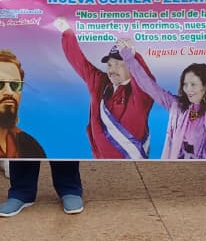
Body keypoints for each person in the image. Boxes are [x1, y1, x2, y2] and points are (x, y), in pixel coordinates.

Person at [0, 0, 86, 215]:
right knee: (21, 118)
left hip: (63, 51)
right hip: (19, 54)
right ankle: (21, 190)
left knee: (65, 116)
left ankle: (69, 187)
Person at [51, 17, 156, 160]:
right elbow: (80, 62)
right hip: (100, 162)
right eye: (110, 65)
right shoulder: (101, 83)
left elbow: (146, 80)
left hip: (132, 164)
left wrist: (134, 56)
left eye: (119, 64)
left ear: (131, 67)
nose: (112, 69)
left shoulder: (141, 94)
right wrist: (67, 33)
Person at [116, 38, 206, 159]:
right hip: (176, 171)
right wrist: (128, 57)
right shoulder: (177, 106)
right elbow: (149, 86)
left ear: (205, 86)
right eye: (185, 84)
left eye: (193, 84)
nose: (188, 89)